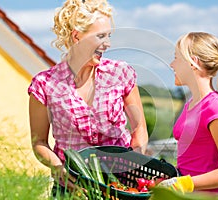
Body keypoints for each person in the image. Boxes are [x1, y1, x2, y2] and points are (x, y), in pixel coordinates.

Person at [27, 0, 148, 196]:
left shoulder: (120, 73)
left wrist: (135, 164)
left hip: (120, 185)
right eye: (100, 36)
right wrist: (59, 169)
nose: (107, 44)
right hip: (72, 186)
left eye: (108, 36)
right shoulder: (45, 85)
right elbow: (39, 141)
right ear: (77, 36)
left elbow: (139, 128)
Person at [159, 32, 218, 197]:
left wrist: (185, 183)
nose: (172, 64)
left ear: (193, 63)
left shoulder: (214, 107)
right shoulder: (190, 105)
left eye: (176, 58)